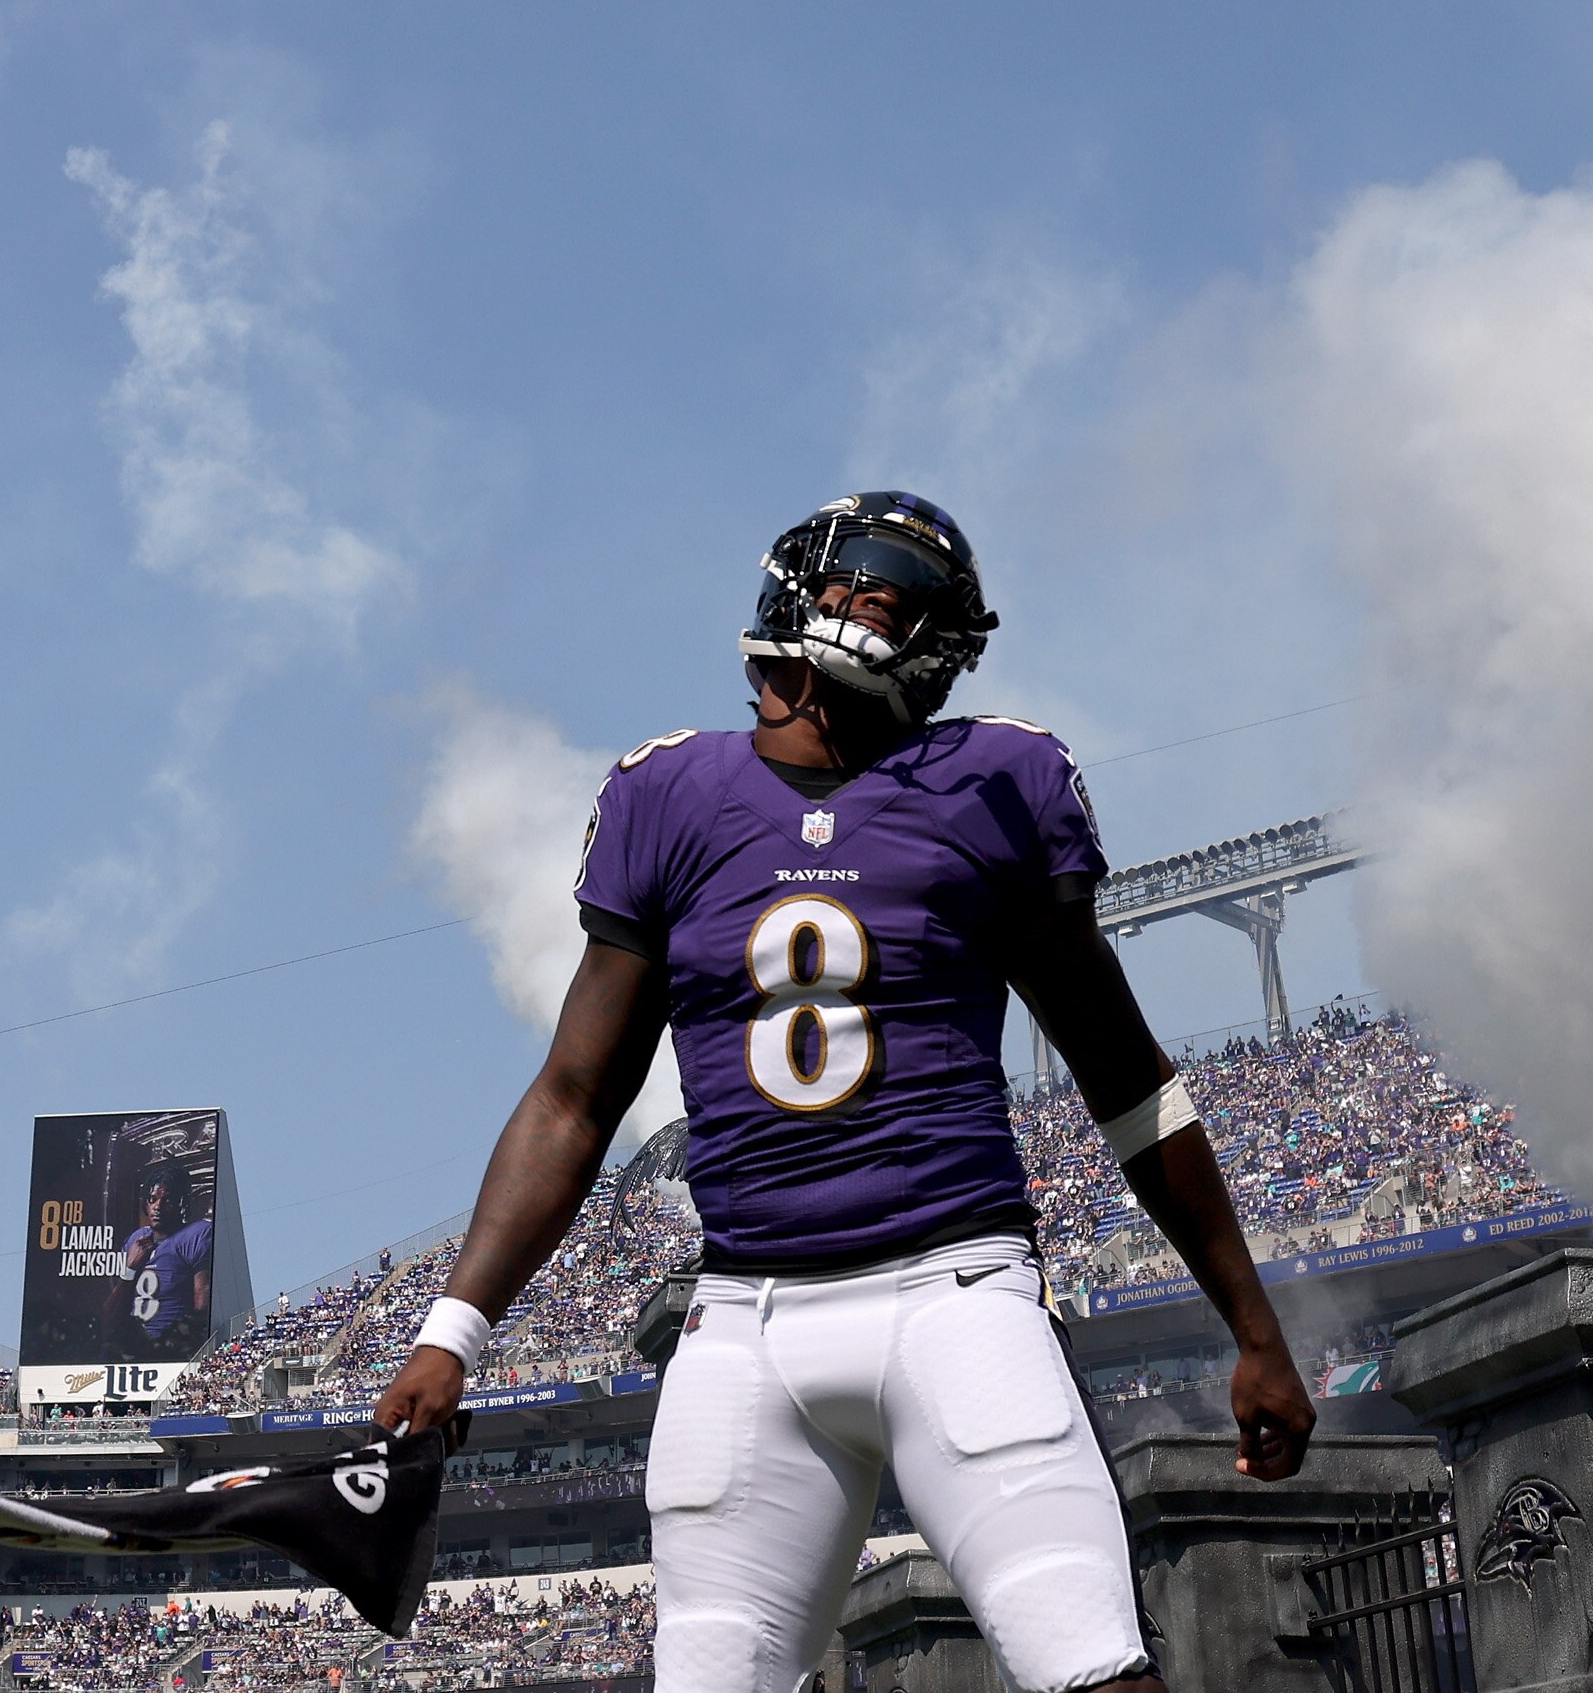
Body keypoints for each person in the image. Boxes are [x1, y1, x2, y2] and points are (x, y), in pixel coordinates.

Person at [373, 492, 1314, 1693]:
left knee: (1093, 1671)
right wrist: (452, 1329)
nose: (874, 608)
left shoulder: (996, 779)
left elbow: (1129, 1080)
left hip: (953, 1293)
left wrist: (1254, 1327)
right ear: (789, 597)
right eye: (855, 582)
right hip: (743, 1323)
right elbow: (573, 1099)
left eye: (904, 598)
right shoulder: (671, 797)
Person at [105, 1169, 213, 1361]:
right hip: (131, 1348)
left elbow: (202, 1311)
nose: (158, 1206)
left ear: (182, 1204)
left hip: (169, 1351)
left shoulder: (196, 1236)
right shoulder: (136, 1240)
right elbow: (108, 1317)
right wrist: (130, 1270)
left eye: (167, 1200)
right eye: (152, 1199)